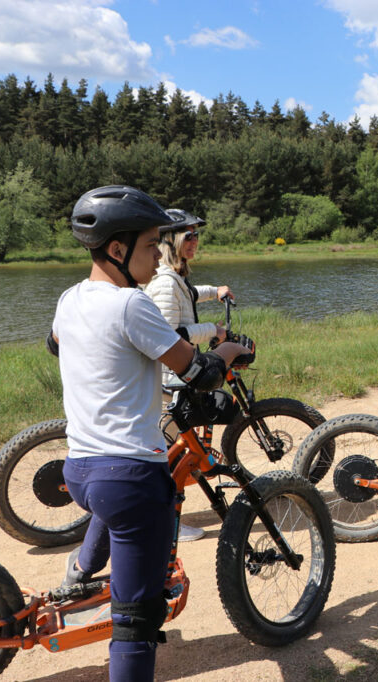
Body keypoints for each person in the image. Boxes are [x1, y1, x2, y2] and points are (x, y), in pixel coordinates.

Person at [52, 185, 250, 681]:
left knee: (110, 511)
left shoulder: (69, 299)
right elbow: (198, 373)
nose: (155, 256)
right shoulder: (129, 305)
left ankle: (77, 576)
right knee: (137, 623)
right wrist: (228, 353)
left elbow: (57, 345)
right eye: (147, 246)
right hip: (131, 478)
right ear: (116, 250)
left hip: (79, 467)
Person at [144, 208, 233, 542]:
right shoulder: (165, 282)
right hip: (169, 378)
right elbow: (170, 333)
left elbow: (190, 294)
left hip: (175, 375)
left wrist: (216, 291)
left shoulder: (174, 277)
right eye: (189, 235)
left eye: (197, 234)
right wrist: (214, 330)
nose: (195, 241)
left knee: (171, 449)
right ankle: (165, 523)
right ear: (171, 240)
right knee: (168, 453)